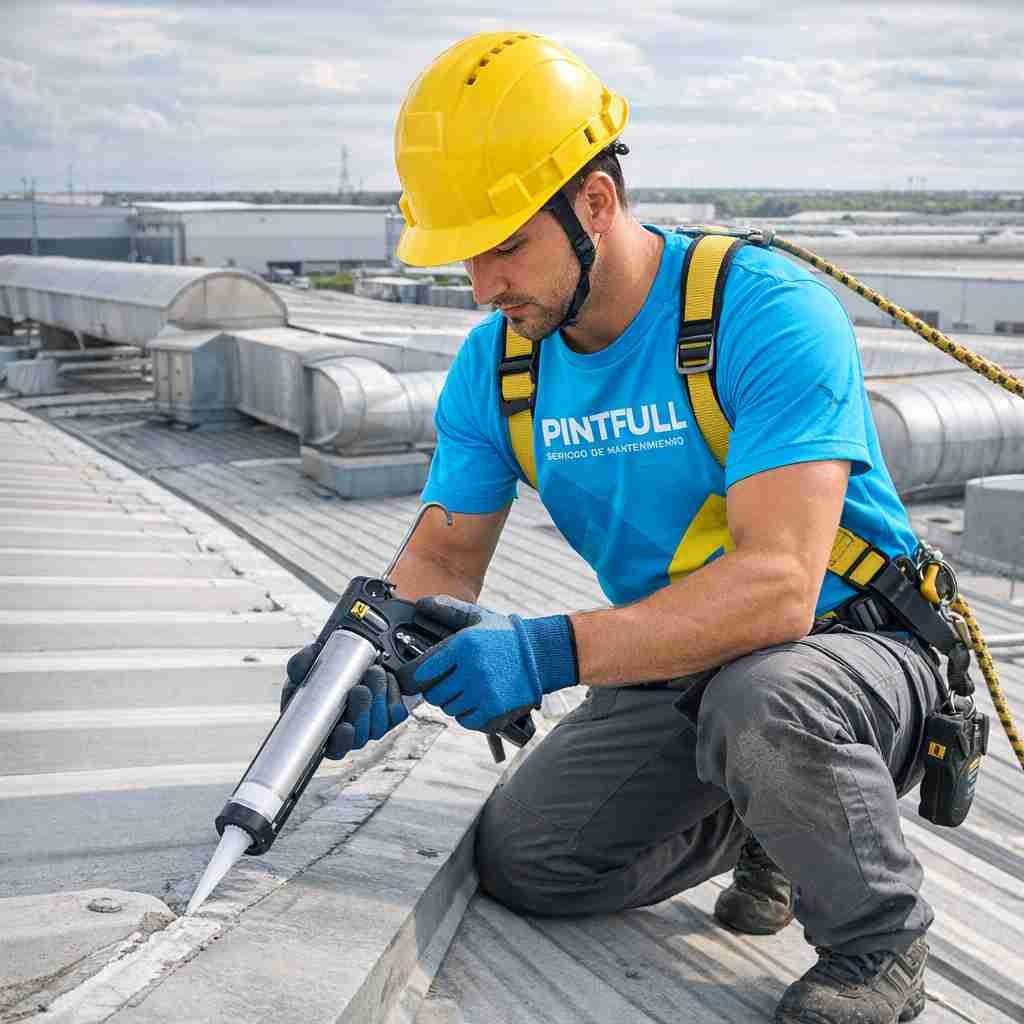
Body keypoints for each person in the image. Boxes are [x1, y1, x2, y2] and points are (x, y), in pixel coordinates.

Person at [283, 31, 945, 1024]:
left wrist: (549, 651)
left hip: (844, 648)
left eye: (506, 245)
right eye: (465, 254)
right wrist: (364, 652)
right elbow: (442, 554)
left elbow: (777, 584)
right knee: (531, 861)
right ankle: (768, 814)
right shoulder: (500, 363)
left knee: (764, 702)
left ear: (595, 202)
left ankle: (877, 942)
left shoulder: (758, 312)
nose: (481, 285)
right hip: (687, 657)